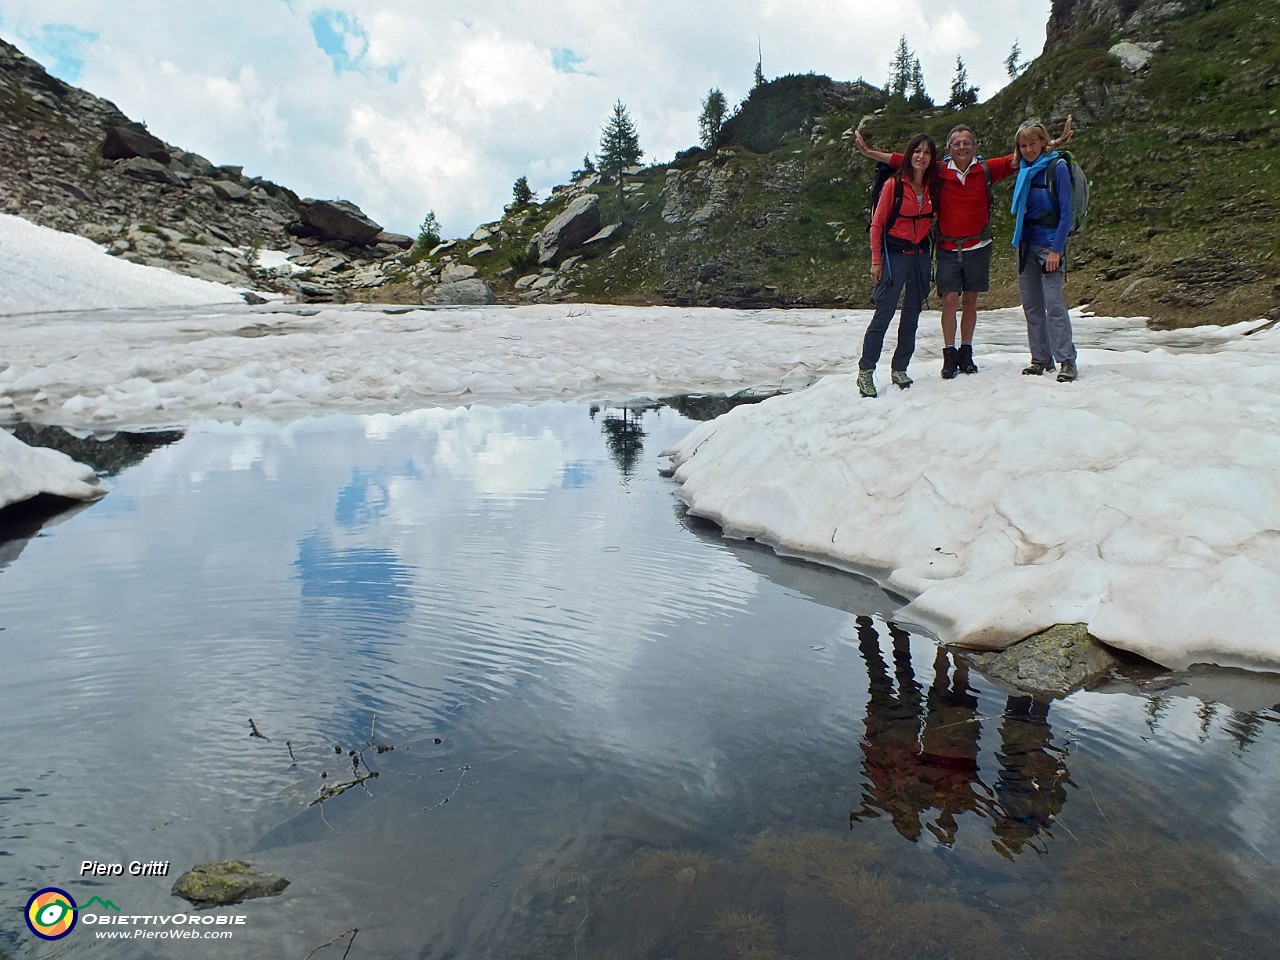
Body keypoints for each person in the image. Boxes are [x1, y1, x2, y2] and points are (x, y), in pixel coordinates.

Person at [854, 116, 1073, 379]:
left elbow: (1024, 154)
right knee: (948, 301)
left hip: (978, 246)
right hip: (947, 247)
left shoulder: (987, 169)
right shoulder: (938, 172)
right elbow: (906, 160)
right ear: (949, 149)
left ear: (976, 147)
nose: (962, 147)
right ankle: (949, 355)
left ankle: (966, 353)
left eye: (967, 142)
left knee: (970, 302)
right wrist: (869, 152)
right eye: (956, 143)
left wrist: (1053, 142)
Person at [857, 133, 937, 399]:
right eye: (917, 151)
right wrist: (876, 261)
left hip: (920, 255)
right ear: (909, 154)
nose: (921, 156)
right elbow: (877, 224)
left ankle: (899, 368)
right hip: (894, 256)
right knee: (883, 315)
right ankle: (866, 372)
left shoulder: (931, 184)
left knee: (912, 316)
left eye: (926, 152)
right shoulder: (894, 185)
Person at [1011, 120, 1078, 381]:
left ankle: (1067, 361)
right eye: (1023, 145)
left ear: (1042, 142)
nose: (1028, 149)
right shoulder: (1025, 170)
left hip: (1049, 245)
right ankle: (1040, 359)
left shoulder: (1056, 168)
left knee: (1054, 305)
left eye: (1032, 143)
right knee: (1032, 307)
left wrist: (1056, 250)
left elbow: (1066, 213)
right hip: (1026, 245)